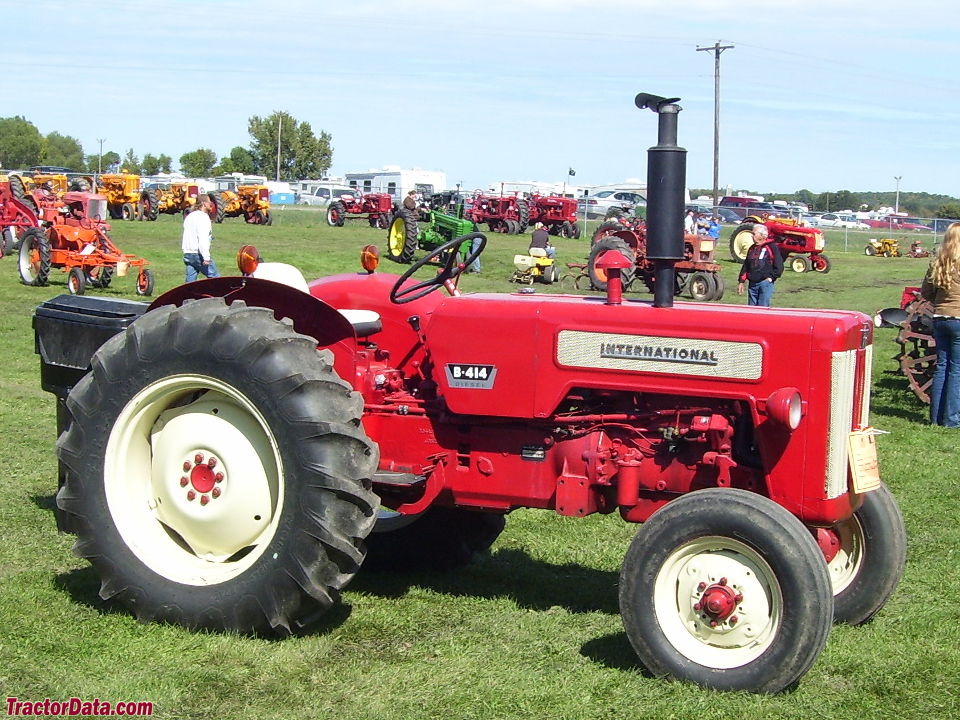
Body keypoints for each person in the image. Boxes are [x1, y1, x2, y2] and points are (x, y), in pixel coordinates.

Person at [921, 222, 960, 427]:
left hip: (940, 319)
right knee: (957, 370)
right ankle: (952, 419)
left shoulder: (938, 262)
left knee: (942, 367)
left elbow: (926, 293)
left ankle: (935, 418)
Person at [736, 224, 783, 307]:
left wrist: (771, 278)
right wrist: (741, 281)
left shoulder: (771, 247)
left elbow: (779, 265)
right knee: (751, 309)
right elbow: (746, 265)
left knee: (762, 309)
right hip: (752, 284)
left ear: (762, 235)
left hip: (765, 283)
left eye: (754, 234)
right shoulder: (752, 248)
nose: (752, 236)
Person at [181, 196, 219, 282]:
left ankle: (186, 295)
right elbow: (203, 238)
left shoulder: (190, 216)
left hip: (188, 253)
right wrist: (206, 257)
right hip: (198, 254)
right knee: (216, 278)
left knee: (190, 281)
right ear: (204, 204)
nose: (211, 204)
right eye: (209, 202)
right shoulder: (203, 217)